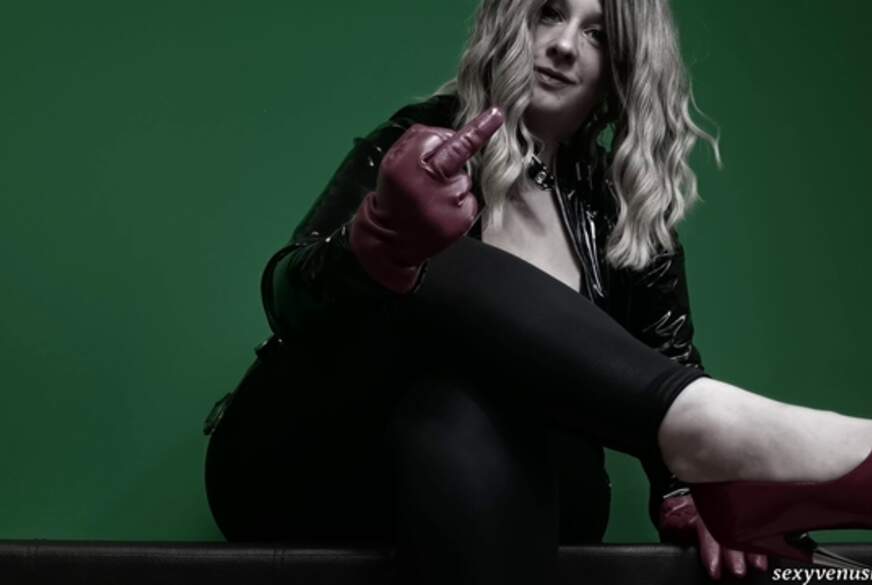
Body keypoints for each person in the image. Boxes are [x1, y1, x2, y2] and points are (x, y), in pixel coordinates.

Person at [204, 0, 872, 583]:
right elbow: (289, 296)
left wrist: (685, 493)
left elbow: (667, 351)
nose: (563, 45)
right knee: (432, 256)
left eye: (598, 34)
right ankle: (720, 431)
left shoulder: (622, 209)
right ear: (513, 22)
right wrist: (381, 237)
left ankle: (708, 441)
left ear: (621, 67)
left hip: (518, 486)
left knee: (466, 410)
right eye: (549, 12)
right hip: (323, 464)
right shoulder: (421, 145)